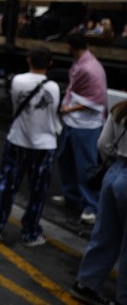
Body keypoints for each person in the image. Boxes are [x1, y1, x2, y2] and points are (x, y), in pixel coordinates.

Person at [0, 47, 61, 247]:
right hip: (44, 144)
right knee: (37, 191)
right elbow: (52, 113)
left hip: (18, 139)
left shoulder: (17, 81)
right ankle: (30, 232)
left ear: (28, 60)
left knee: (7, 185)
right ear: (50, 64)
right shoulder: (53, 87)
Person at [70, 100, 127, 305]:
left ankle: (86, 284)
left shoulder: (120, 108)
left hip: (114, 173)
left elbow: (103, 144)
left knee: (105, 234)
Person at [53, 33, 108, 225]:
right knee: (65, 158)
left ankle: (91, 206)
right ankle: (72, 196)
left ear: (71, 46)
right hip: (73, 120)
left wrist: (69, 108)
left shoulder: (89, 68)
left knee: (86, 166)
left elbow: (98, 99)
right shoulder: (81, 62)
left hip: (86, 124)